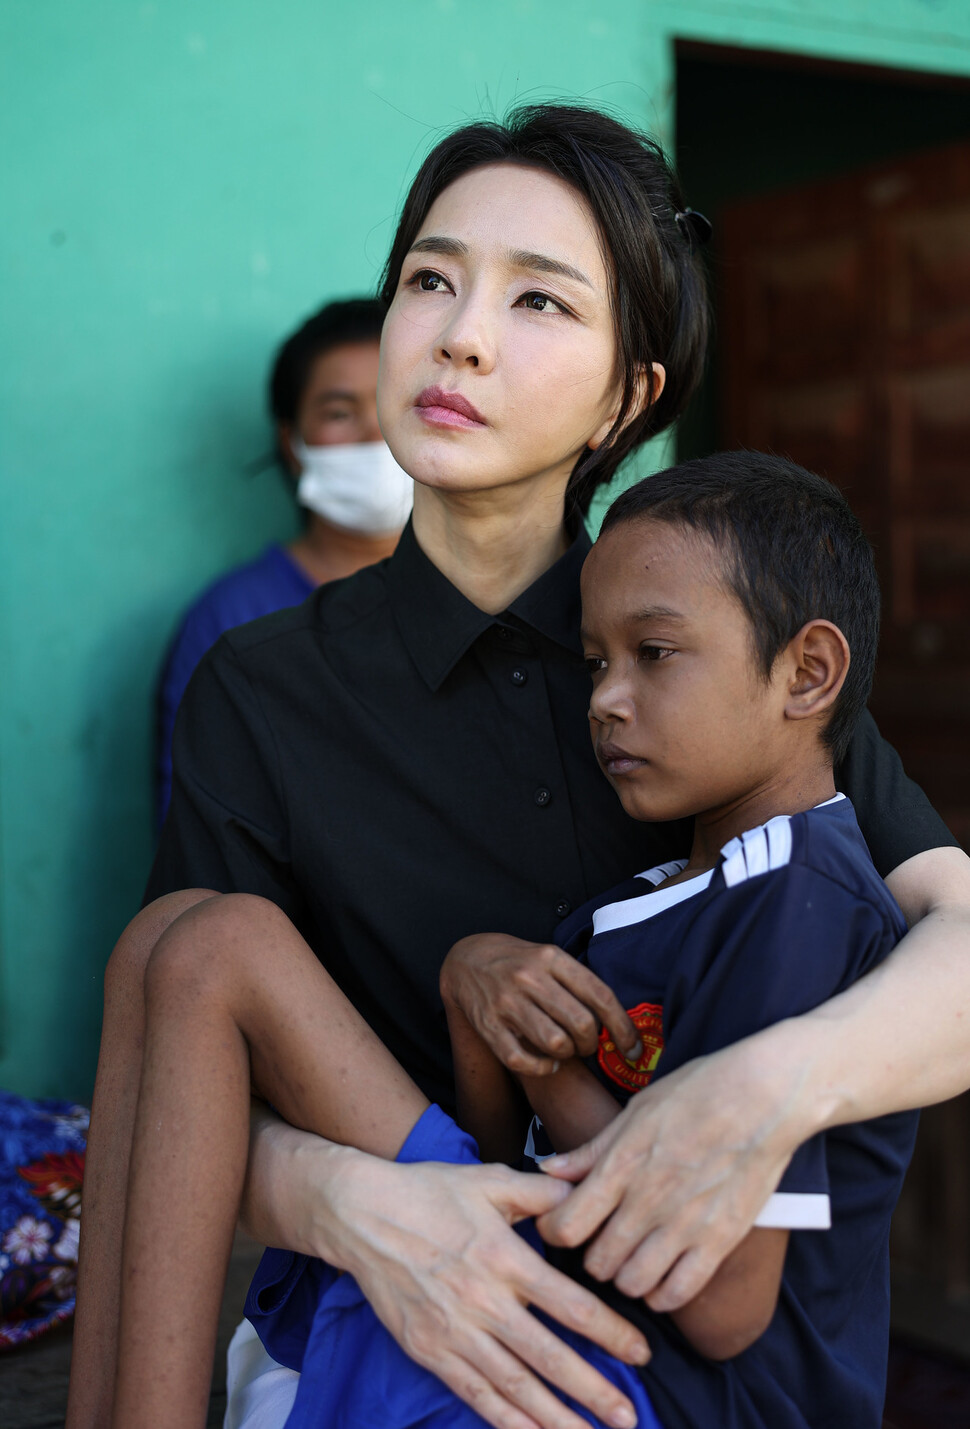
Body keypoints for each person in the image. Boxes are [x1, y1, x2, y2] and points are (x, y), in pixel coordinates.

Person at [67, 103, 969, 1429]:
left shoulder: (715, 673)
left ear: (629, 394)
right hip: (370, 1305)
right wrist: (356, 1207)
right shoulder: (258, 689)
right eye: (429, 279)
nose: (460, 333)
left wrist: (760, 1091)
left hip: (666, 1362)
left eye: (538, 301)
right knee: (188, 947)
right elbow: (176, 1085)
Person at [101, 453, 916, 1429]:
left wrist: (544, 1075)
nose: (605, 699)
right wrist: (472, 992)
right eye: (594, 662)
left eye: (653, 654)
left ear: (807, 672)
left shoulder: (797, 899)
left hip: (668, 1395)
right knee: (176, 942)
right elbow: (506, 1154)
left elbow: (721, 1301)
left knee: (217, 945)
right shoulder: (655, 892)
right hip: (567, 1324)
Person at [154, 297, 413, 824]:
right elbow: (197, 839)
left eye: (395, 401)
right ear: (291, 443)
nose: (375, 434)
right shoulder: (233, 619)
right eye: (341, 412)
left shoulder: (487, 600)